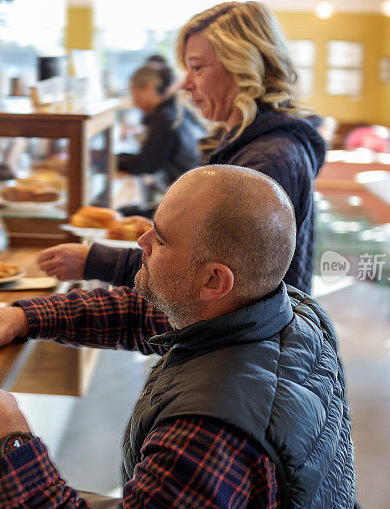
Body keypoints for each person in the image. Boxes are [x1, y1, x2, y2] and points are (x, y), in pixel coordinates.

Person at [0, 165, 357, 509]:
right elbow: (143, 312)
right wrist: (23, 316)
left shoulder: (207, 434)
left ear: (214, 280)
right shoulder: (288, 311)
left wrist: (4, 438)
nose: (140, 244)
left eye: (160, 239)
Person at [39, 1, 325, 295]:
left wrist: (97, 261)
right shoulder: (244, 143)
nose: (186, 83)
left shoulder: (267, 162)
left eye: (197, 67)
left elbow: (200, 285)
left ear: (243, 66)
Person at [116, 57, 203, 210]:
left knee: (120, 211)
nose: (134, 102)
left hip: (187, 204)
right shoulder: (176, 109)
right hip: (189, 195)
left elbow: (145, 164)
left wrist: (107, 160)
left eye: (135, 94)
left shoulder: (164, 118)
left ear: (149, 88)